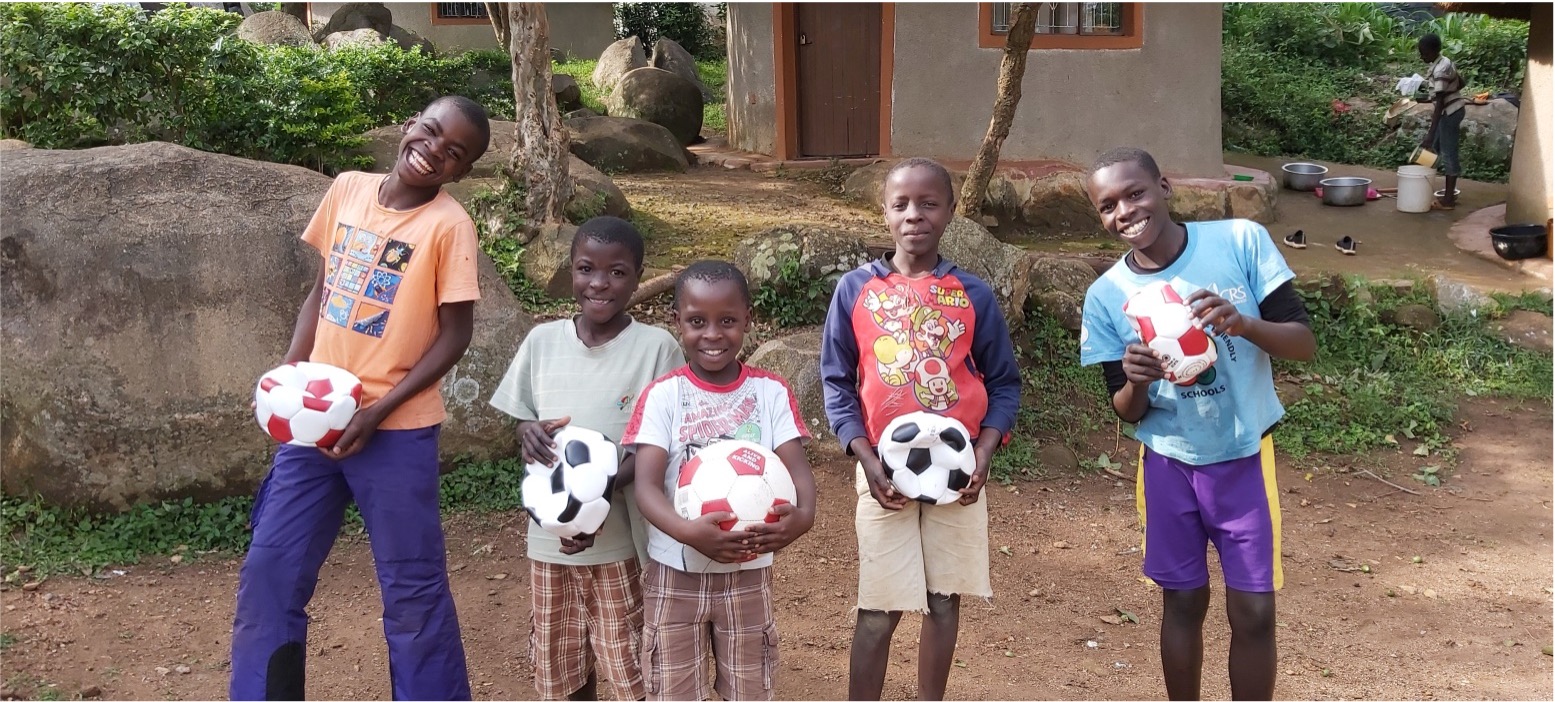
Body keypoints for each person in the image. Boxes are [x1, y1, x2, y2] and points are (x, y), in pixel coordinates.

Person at [229, 95, 493, 700]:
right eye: (429, 133)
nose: (433, 152)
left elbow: (456, 333)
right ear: (409, 126)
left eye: (453, 153)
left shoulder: (449, 226)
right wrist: (288, 376)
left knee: (411, 587)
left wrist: (379, 410)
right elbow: (321, 292)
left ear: (461, 171)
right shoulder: (347, 188)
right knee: (272, 567)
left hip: (395, 430)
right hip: (315, 418)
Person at [1078, 147, 1316, 701]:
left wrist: (1245, 324)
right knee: (1182, 602)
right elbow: (1126, 408)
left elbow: (1302, 344)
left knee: (1254, 611)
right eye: (1108, 206)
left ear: (1163, 186)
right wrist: (1135, 380)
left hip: (1244, 458)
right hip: (1168, 461)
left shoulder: (1239, 241)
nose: (1125, 211)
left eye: (1135, 193)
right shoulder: (1107, 295)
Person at [820, 157, 1021, 701]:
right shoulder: (855, 290)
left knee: (942, 600)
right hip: (882, 473)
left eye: (929, 203)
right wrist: (865, 457)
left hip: (959, 476)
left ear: (951, 212)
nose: (915, 215)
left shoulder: (972, 294)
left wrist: (983, 452)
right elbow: (836, 384)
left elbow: (1004, 384)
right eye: (901, 204)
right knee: (879, 609)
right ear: (884, 212)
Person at [489, 216, 685, 700]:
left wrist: (594, 496)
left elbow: (658, 446)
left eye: (617, 272)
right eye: (586, 268)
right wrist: (527, 432)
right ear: (570, 272)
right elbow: (523, 419)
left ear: (638, 277)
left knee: (628, 663)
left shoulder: (656, 349)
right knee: (561, 662)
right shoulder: (541, 343)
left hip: (621, 542)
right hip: (549, 541)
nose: (599, 283)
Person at [622, 260, 818, 701]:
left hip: (748, 576)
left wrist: (802, 517)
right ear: (677, 323)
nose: (712, 334)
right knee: (672, 689)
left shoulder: (770, 392)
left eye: (727, 321)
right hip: (674, 573)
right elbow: (647, 488)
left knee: (749, 687)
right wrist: (690, 533)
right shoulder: (663, 395)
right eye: (697, 322)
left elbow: (798, 472)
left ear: (748, 319)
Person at [1418, 32, 1467, 210]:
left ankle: (1448, 200)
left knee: (1447, 153)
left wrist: (1430, 134)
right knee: (1433, 149)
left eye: (1423, 52)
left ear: (1433, 51)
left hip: (1449, 113)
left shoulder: (1440, 70)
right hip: (1451, 110)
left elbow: (1439, 105)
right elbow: (1460, 83)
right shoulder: (1444, 61)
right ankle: (1420, 181)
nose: (1421, 56)